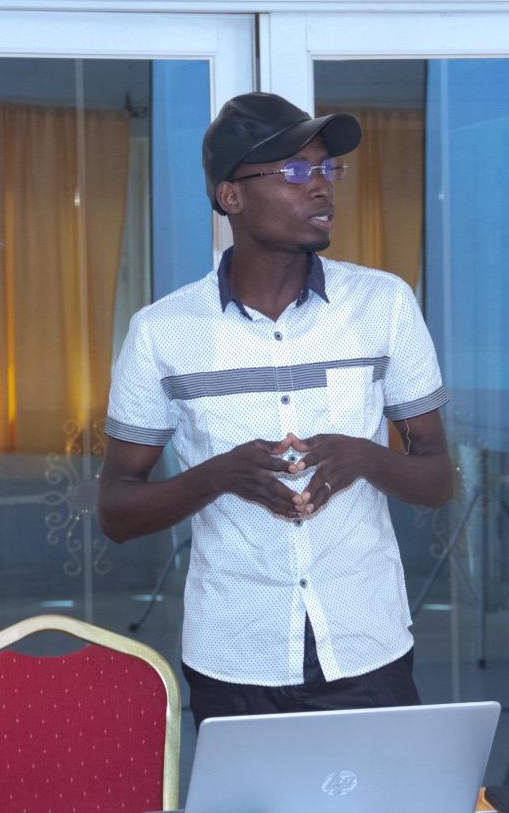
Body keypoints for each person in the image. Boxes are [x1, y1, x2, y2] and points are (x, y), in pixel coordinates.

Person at [98, 91, 454, 729]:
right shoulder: (162, 332)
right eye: (294, 170)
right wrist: (219, 476)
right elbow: (117, 511)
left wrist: (365, 457)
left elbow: (437, 480)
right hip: (235, 658)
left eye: (327, 169)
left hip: (366, 646)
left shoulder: (384, 305)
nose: (320, 186)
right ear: (230, 196)